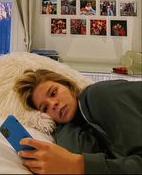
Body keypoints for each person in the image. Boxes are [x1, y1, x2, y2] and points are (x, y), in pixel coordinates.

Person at [13, 69, 142, 174]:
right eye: (45, 108)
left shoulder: (98, 96)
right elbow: (78, 151)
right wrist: (61, 127)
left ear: (68, 86)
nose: (53, 104)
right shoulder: (79, 126)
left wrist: (79, 166)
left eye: (53, 93)